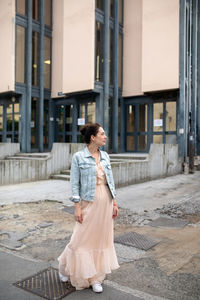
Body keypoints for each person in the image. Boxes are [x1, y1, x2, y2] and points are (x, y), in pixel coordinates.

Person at [58, 123, 119, 293]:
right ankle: (63, 267)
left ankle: (95, 278)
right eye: (102, 134)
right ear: (93, 137)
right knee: (80, 239)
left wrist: (114, 203)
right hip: (88, 203)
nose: (105, 137)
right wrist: (77, 207)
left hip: (105, 202)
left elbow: (110, 182)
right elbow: (74, 184)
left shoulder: (106, 156)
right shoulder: (79, 157)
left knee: (100, 240)